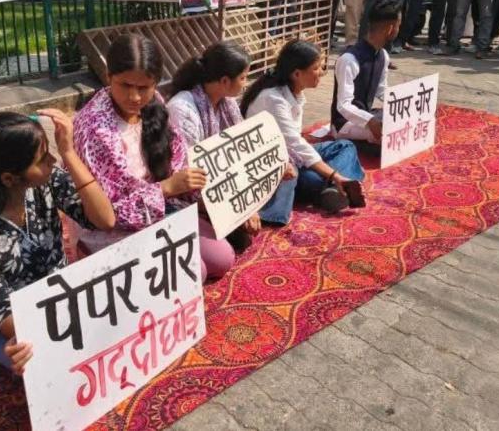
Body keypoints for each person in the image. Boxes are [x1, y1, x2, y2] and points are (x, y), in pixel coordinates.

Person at [0, 110, 116, 374]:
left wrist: (70, 154)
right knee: (43, 363)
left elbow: (104, 219)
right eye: (43, 158)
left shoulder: (45, 182)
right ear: (9, 178)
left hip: (60, 300)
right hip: (8, 322)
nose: (53, 161)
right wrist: (50, 335)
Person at [72, 33, 236, 281]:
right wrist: (165, 189)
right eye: (125, 85)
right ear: (108, 77)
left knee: (223, 258)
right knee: (193, 272)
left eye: (143, 88)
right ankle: (93, 256)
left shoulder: (155, 103)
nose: (135, 97)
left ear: (155, 84)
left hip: (159, 207)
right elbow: (108, 214)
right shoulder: (95, 128)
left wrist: (198, 194)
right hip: (116, 228)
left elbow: (178, 158)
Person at [242, 40, 366, 225]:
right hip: (278, 167)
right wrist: (335, 175)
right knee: (313, 177)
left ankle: (333, 189)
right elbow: (296, 145)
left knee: (345, 145)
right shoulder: (274, 99)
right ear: (297, 73)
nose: (322, 72)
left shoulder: (294, 92)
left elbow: (297, 142)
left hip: (292, 157)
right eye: (316, 68)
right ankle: (335, 185)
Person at [166, 41, 273, 251]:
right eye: (242, 78)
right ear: (225, 81)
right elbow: (189, 173)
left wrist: (249, 202)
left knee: (277, 174)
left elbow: (244, 150)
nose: (245, 83)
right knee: (226, 251)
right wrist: (240, 208)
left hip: (223, 186)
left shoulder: (226, 102)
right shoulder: (183, 109)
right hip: (188, 193)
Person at [332, 0, 401, 143]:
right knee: (392, 137)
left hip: (366, 115)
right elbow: (343, 106)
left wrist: (402, 103)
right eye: (398, 26)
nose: (398, 30)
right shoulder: (349, 60)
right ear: (390, 29)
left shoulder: (382, 55)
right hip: (344, 124)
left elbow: (381, 90)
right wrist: (370, 121)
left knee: (405, 123)